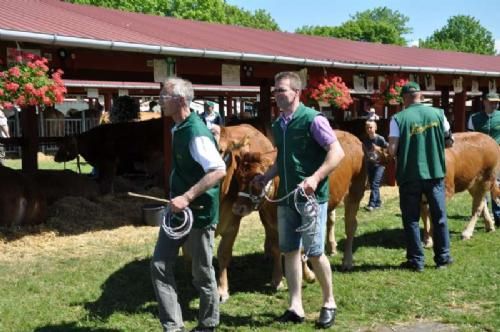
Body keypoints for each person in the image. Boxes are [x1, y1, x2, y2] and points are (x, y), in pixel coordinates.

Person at [253, 71, 345, 329]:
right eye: (275, 91)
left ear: (297, 93)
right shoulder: (280, 123)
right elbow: (285, 158)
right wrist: (266, 176)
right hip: (287, 199)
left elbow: (337, 152)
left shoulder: (313, 120)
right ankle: (296, 305)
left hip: (311, 199)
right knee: (290, 251)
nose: (277, 95)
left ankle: (329, 302)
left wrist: (315, 179)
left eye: (282, 90)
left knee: (315, 253)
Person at [150, 77, 226, 332]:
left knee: (202, 273)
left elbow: (217, 170)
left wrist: (187, 196)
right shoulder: (179, 127)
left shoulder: (195, 132)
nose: (160, 100)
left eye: (165, 96)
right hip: (177, 212)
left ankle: (208, 323)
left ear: (181, 100)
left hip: (198, 212)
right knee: (160, 264)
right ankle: (173, 327)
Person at [388, 81, 453, 272]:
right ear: (421, 96)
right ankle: (443, 258)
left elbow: (392, 150)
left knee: (411, 219)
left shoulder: (397, 119)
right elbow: (449, 142)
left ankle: (416, 261)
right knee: (439, 216)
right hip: (435, 173)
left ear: (404, 99)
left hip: (409, 175)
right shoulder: (439, 114)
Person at [467, 91, 500, 227]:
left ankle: (498, 214)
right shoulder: (474, 118)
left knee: (497, 183)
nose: (494, 105)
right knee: (481, 185)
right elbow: (469, 139)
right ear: (484, 102)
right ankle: (483, 212)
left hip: (498, 157)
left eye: (497, 102)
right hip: (479, 159)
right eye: (491, 102)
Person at [363, 120, 388, 211]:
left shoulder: (380, 139)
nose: (369, 129)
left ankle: (371, 204)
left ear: (375, 128)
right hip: (370, 165)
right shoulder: (365, 140)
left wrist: (379, 148)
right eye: (367, 128)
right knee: (374, 185)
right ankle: (378, 203)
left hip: (380, 165)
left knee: (374, 183)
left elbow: (387, 149)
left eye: (371, 127)